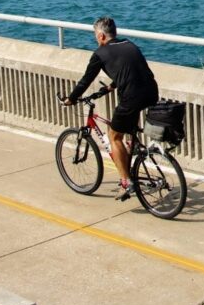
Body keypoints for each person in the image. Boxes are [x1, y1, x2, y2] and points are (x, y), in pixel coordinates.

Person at [64, 16, 158, 197]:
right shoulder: (128, 44)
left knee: (114, 136)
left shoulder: (100, 53)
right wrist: (111, 86)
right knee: (128, 129)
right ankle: (132, 151)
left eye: (95, 36)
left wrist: (71, 98)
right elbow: (129, 69)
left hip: (131, 97)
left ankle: (126, 181)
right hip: (151, 91)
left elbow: (85, 81)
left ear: (100, 36)